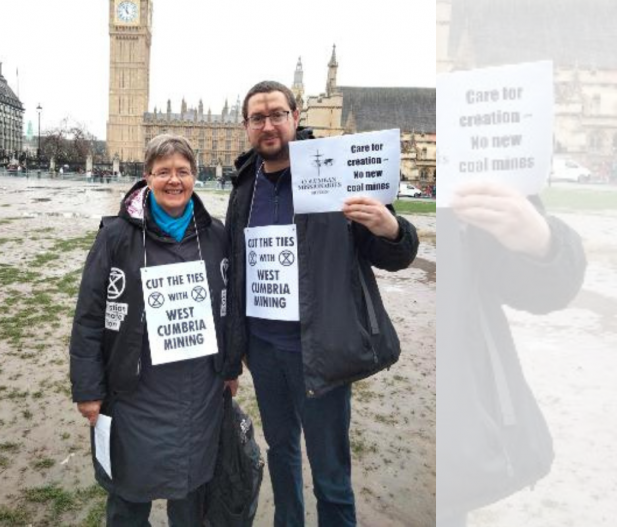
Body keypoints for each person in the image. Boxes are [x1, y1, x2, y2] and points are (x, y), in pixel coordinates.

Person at [225, 81, 419, 526]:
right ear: (247, 126)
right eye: (258, 117)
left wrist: (391, 228)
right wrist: (235, 350)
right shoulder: (244, 186)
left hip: (319, 348)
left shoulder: (333, 173)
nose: (268, 125)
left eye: (277, 114)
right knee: (282, 453)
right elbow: (236, 269)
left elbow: (395, 254)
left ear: (296, 117)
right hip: (265, 350)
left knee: (330, 474)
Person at [70, 134, 241, 527]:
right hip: (134, 394)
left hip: (198, 393)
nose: (174, 180)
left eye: (182, 171)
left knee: (191, 499)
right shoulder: (116, 236)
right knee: (129, 502)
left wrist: (230, 367)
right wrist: (87, 389)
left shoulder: (215, 235)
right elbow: (89, 316)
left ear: (195, 176)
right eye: (163, 172)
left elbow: (228, 308)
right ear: (147, 177)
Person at [436, 181, 586, 526]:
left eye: (281, 118)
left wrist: (542, 243)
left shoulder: (480, 163)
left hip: (456, 421)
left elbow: (545, 292)